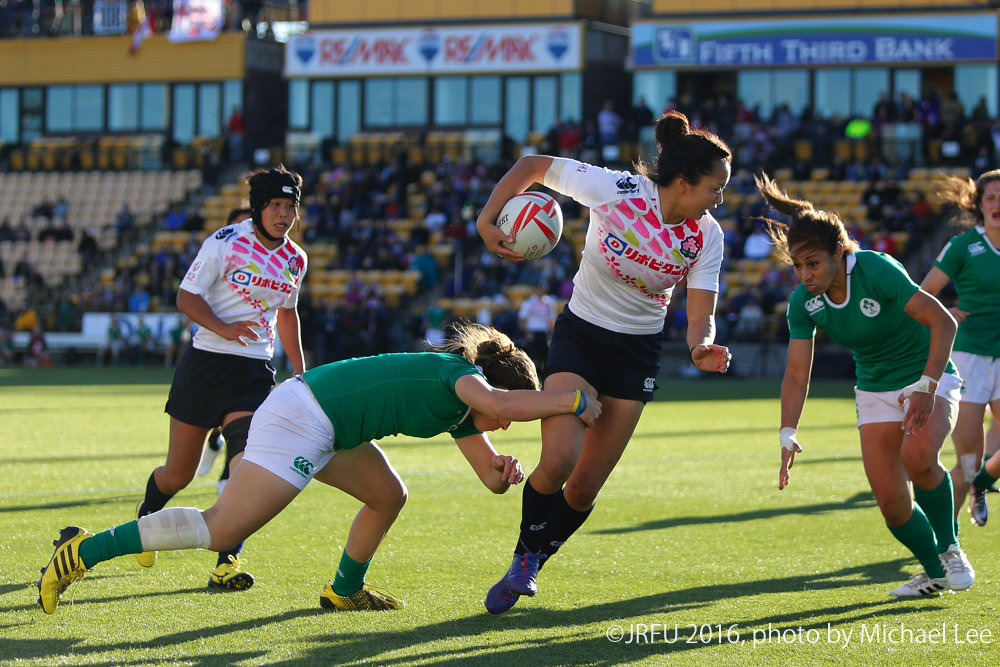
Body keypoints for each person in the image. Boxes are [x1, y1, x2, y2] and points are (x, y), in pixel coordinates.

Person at [36, 323, 602, 614]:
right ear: (491, 387)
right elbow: (504, 407)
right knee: (223, 529)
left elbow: (488, 473)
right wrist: (573, 402)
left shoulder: (464, 406)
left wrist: (502, 475)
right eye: (504, 416)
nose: (502, 427)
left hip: (328, 423)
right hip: (302, 416)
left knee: (388, 495)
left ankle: (343, 592)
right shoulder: (455, 375)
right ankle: (82, 552)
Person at [475, 110, 733, 614]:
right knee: (558, 461)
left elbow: (701, 312)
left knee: (585, 486)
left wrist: (703, 345)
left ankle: (533, 558)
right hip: (581, 336)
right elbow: (531, 164)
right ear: (683, 183)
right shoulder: (617, 189)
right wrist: (487, 220)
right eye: (714, 188)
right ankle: (525, 557)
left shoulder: (707, 237)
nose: (719, 199)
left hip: (637, 353)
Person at [758, 172, 975, 597]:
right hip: (874, 391)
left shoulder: (874, 268)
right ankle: (933, 574)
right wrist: (787, 434)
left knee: (918, 455)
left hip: (927, 374)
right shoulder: (805, 303)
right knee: (892, 505)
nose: (805, 274)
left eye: (813, 263)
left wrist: (927, 387)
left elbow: (942, 322)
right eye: (798, 265)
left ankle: (950, 548)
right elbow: (797, 372)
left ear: (839, 252)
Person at [131, 166, 308, 591]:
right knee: (178, 475)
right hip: (205, 365)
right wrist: (224, 328)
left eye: (291, 207)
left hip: (252, 373)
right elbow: (186, 296)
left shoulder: (295, 259)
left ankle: (227, 561)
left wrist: (301, 370)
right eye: (276, 205)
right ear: (258, 207)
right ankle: (144, 521)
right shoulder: (225, 242)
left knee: (246, 470)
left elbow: (286, 313)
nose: (284, 215)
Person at [919, 169, 1000, 527]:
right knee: (968, 460)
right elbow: (921, 296)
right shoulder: (964, 245)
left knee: (981, 465)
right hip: (968, 356)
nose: (998, 205)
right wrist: (946, 312)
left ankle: (981, 484)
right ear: (979, 205)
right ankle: (945, 538)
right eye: (991, 198)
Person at [517, 284, 557, 369]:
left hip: (545, 332)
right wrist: (526, 332)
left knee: (545, 357)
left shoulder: (550, 302)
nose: (540, 291)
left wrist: (552, 333)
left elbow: (552, 319)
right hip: (532, 330)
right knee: (533, 357)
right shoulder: (528, 302)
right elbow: (522, 318)